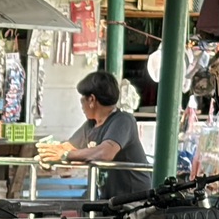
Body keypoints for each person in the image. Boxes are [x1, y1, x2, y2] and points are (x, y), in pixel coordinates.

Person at [44, 70, 148, 202]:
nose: (81, 106)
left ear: (92, 100)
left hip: (135, 199)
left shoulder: (123, 120)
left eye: (82, 99)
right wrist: (49, 156)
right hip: (110, 198)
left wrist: (66, 155)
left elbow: (105, 153)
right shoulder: (91, 125)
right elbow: (69, 147)